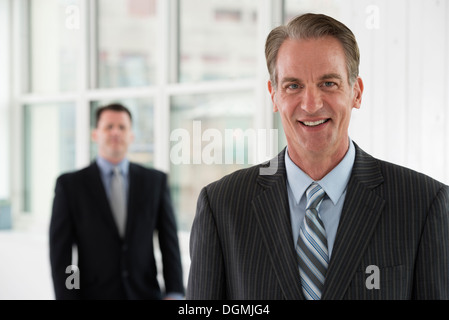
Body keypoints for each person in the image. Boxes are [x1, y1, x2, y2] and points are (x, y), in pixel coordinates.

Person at [186, 13, 449, 300]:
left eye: (328, 83)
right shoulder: (222, 205)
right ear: (274, 95)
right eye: (293, 86)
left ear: (356, 92)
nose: (311, 105)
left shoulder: (424, 204)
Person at [49, 103, 184, 300]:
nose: (115, 132)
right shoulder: (70, 186)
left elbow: (169, 242)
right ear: (95, 134)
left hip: (145, 294)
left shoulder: (155, 181)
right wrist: (68, 296)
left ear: (131, 135)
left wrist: (174, 292)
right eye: (108, 127)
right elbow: (63, 254)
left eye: (122, 127)